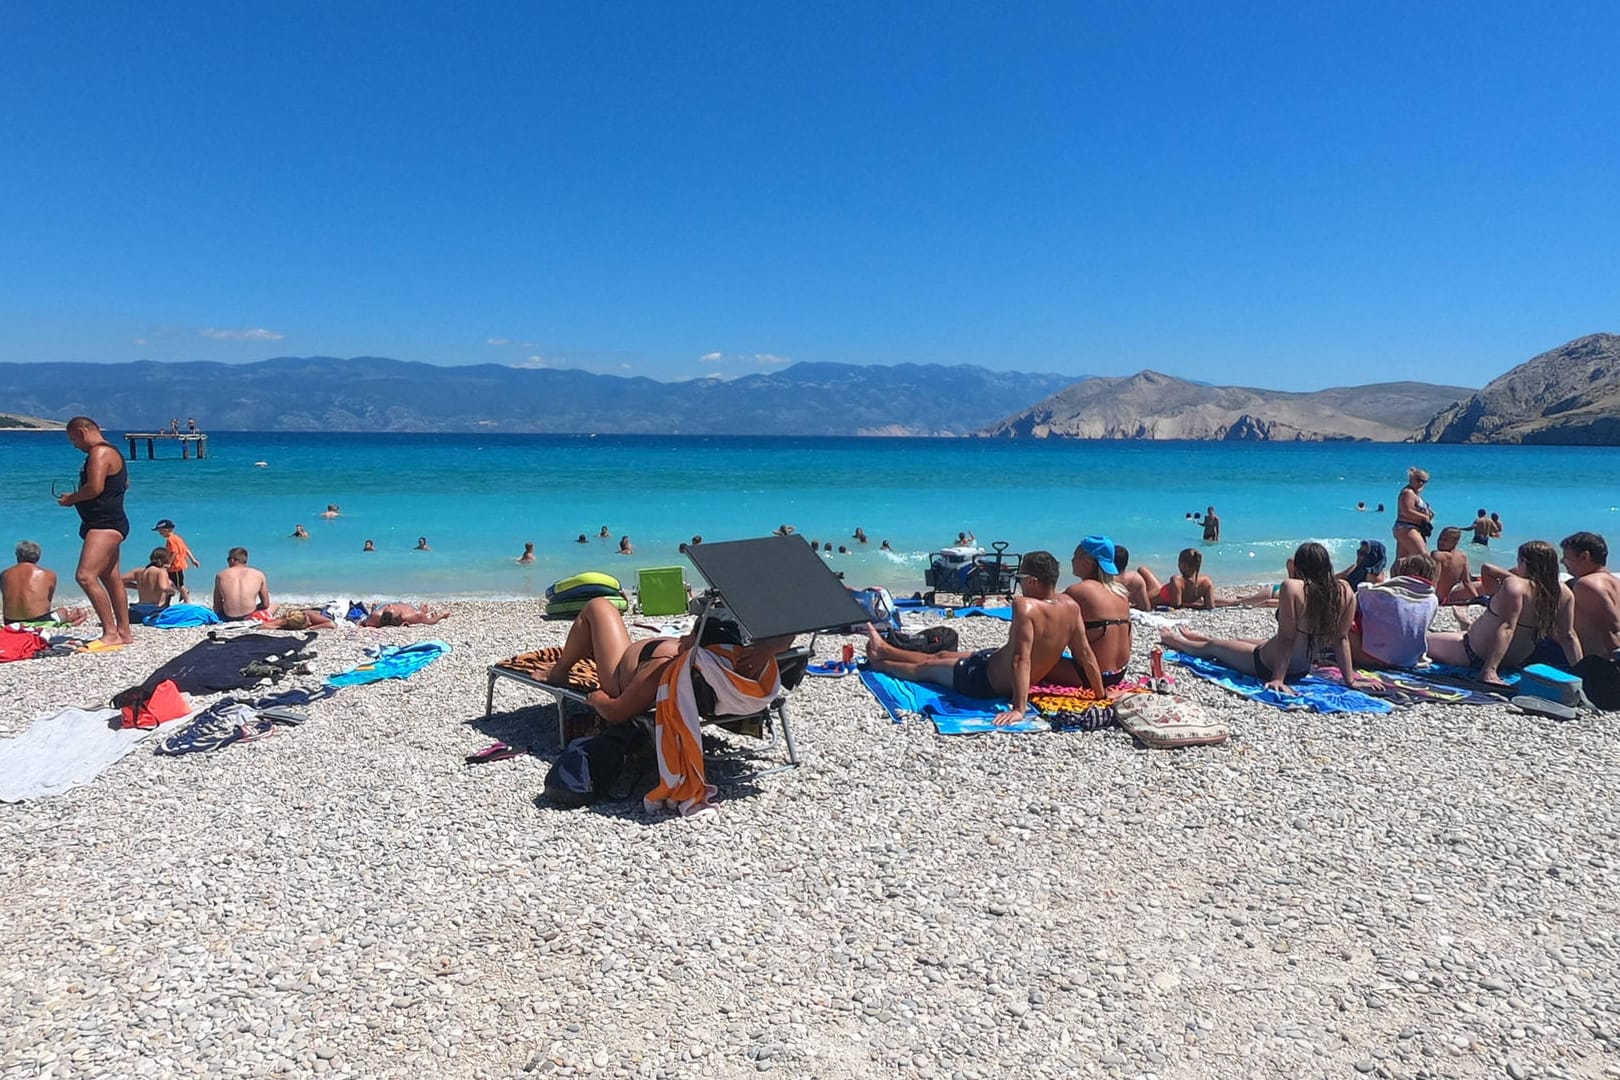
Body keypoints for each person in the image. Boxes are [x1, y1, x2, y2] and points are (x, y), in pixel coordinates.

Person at [864, 551, 1105, 726]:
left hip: (982, 680)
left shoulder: (1026, 607)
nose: (1019, 585)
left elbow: (1021, 659)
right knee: (942, 655)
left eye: (1020, 578)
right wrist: (1100, 694)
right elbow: (1084, 654)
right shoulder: (1071, 607)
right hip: (990, 659)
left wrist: (1019, 708)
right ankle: (885, 649)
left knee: (926, 668)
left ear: (1032, 581)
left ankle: (879, 662)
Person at [1160, 542, 1376, 693]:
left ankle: (1176, 640)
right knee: (1245, 641)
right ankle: (1197, 636)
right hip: (1303, 666)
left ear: (1299, 567)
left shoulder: (1292, 587)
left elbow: (1286, 638)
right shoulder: (1345, 590)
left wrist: (1277, 679)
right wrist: (1351, 680)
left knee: (1215, 646)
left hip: (1266, 663)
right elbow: (1341, 639)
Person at [543, 595, 790, 724]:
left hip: (618, 675)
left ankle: (560, 671)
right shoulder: (747, 662)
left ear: (697, 644)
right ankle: (580, 652)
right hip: (655, 661)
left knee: (598, 607)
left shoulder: (667, 669)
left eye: (693, 633)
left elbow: (617, 712)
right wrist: (770, 649)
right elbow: (788, 637)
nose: (686, 635)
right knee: (600, 620)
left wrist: (595, 699)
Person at [1426, 540, 1579, 686]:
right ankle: (1465, 626)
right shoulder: (1563, 593)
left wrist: (1489, 670)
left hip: (1474, 652)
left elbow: (1507, 628)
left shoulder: (1515, 585)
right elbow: (1568, 636)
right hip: (1515, 660)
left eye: (1519, 561)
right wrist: (1581, 675)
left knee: (1420, 641)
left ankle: (1485, 663)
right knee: (1456, 634)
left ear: (1525, 563)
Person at [57, 416, 133, 647]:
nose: (74, 445)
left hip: (104, 524)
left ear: (81, 432)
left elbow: (95, 487)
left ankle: (110, 633)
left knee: (85, 576)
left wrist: (71, 499)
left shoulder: (99, 453)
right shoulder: (113, 452)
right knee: (110, 578)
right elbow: (124, 484)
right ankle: (124, 632)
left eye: (73, 439)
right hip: (110, 521)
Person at [1349, 553, 1440, 668]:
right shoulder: (1432, 600)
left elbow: (1358, 594)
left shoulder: (1382, 593)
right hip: (1408, 660)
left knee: (1348, 617)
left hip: (1371, 657)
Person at [1064, 537, 1133, 686]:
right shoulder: (1122, 594)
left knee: (1026, 660)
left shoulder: (1079, 591)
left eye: (1075, 556)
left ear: (1087, 562)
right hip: (1119, 673)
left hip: (1091, 675)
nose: (1071, 560)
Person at [1561, 532, 1620, 660]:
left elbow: (1612, 631)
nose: (1562, 562)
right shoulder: (1616, 582)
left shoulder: (1587, 584)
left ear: (1584, 556)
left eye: (1566, 557)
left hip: (1598, 663)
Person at [1, 541, 89, 625]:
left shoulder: (4, 574)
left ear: (17, 555)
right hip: (39, 621)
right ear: (38, 557)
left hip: (10, 622)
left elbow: (6, 597)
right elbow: (47, 602)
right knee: (62, 611)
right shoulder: (49, 575)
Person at [212, 547, 271, 621]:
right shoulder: (259, 574)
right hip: (250, 615)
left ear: (232, 560)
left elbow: (217, 606)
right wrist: (255, 607)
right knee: (275, 605)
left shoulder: (220, 575)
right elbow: (265, 604)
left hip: (229, 616)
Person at [152, 518, 200, 603]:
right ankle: (177, 596)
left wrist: (169, 564)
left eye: (160, 531)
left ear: (166, 530)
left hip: (175, 566)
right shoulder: (178, 538)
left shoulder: (170, 540)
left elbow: (174, 552)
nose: (159, 533)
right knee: (171, 582)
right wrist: (193, 560)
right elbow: (186, 549)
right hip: (178, 566)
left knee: (179, 585)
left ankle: (187, 601)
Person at [122, 546, 178, 620]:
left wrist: (138, 586)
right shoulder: (161, 571)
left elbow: (120, 581)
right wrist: (173, 591)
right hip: (154, 610)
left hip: (137, 610)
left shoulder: (138, 571)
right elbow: (163, 587)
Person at [1392, 468, 1434, 558]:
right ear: (1412, 479)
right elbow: (1407, 511)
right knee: (1423, 557)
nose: (1421, 483)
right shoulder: (1408, 493)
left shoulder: (1415, 493)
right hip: (1407, 527)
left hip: (1408, 528)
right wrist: (1424, 517)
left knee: (1403, 559)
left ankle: (1398, 572)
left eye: (1424, 481)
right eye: (1419, 480)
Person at [1112, 544, 1162, 612]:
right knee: (1142, 569)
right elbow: (1145, 608)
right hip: (1156, 593)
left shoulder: (1103, 580)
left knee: (1142, 570)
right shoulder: (1134, 579)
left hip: (1158, 593)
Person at [1432, 526, 1473, 603]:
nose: (1440, 542)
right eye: (1440, 538)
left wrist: (1429, 601)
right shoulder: (1462, 556)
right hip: (1450, 596)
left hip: (1437, 597)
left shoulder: (1437, 555)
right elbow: (1467, 582)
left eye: (1445, 540)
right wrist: (1476, 597)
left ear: (1455, 542)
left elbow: (1435, 580)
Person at [361, 603, 451, 628]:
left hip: (381, 607)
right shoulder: (412, 615)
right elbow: (430, 621)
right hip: (409, 607)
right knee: (420, 613)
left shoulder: (376, 615)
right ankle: (423, 610)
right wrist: (441, 615)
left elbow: (364, 622)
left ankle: (423, 611)